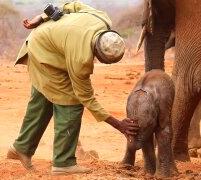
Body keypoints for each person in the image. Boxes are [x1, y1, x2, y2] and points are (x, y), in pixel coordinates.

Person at [7, 2, 139, 175]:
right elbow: (86, 98)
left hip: (42, 39)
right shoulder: (81, 60)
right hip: (43, 54)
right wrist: (118, 124)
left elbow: (71, 4)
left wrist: (41, 17)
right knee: (71, 102)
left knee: (46, 95)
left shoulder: (101, 19)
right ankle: (64, 163)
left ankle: (21, 147)